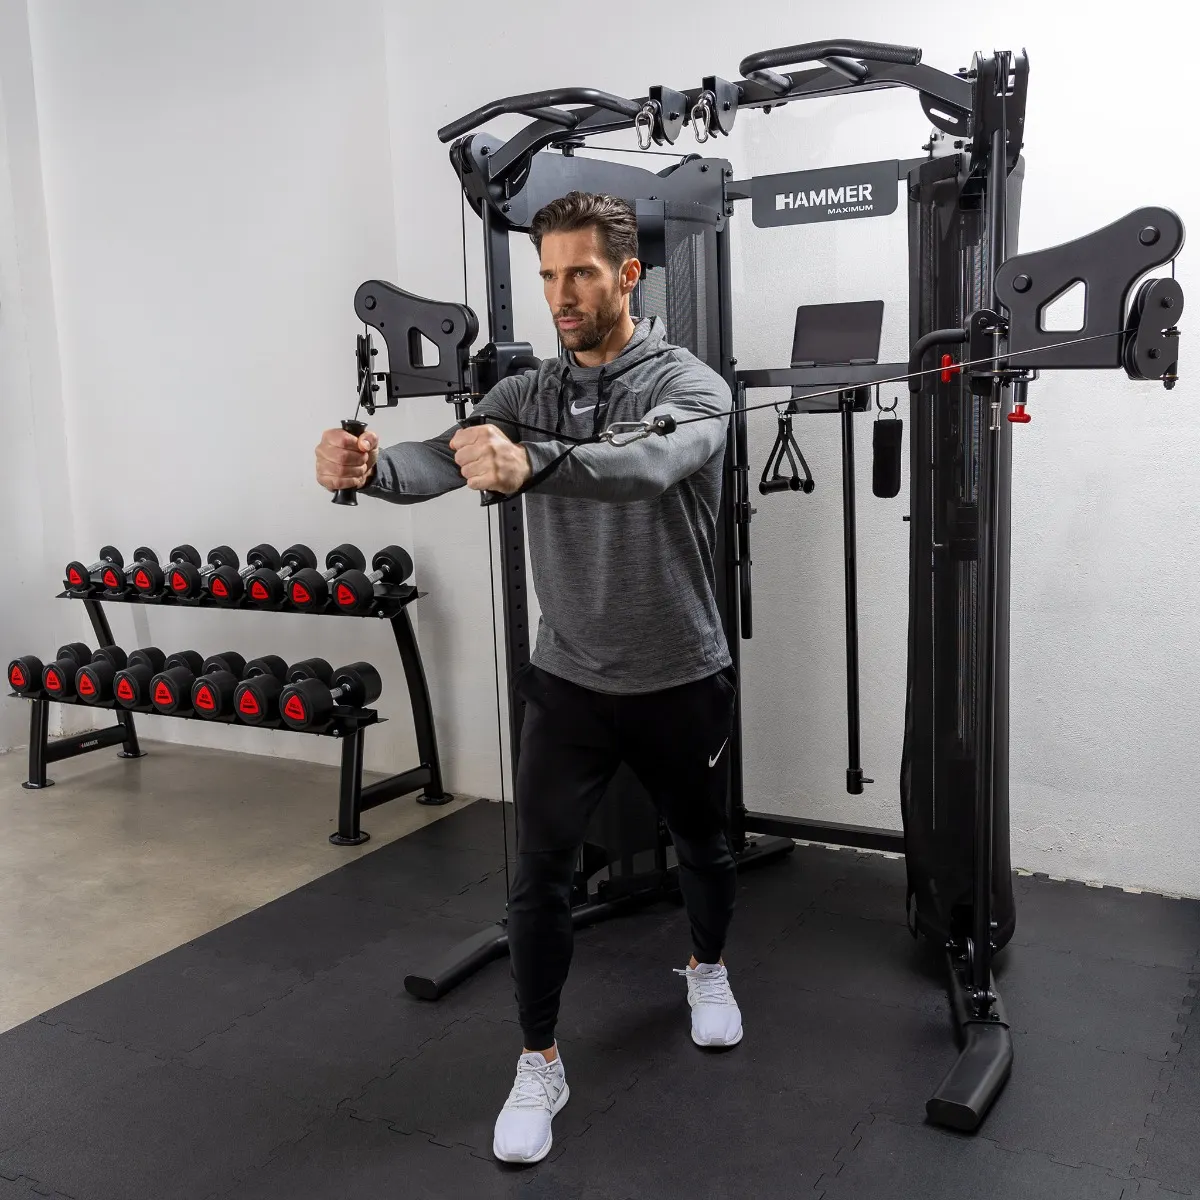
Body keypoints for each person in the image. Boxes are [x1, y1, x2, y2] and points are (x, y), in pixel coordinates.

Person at [315, 191, 742, 1165]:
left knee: (704, 848)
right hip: (571, 679)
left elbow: (648, 463)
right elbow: (444, 457)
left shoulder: (691, 385)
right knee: (537, 874)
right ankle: (539, 1059)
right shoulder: (528, 394)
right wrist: (369, 469)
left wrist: (533, 466)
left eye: (580, 273)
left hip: (680, 673)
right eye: (547, 275)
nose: (560, 295)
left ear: (629, 275)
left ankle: (707, 967)